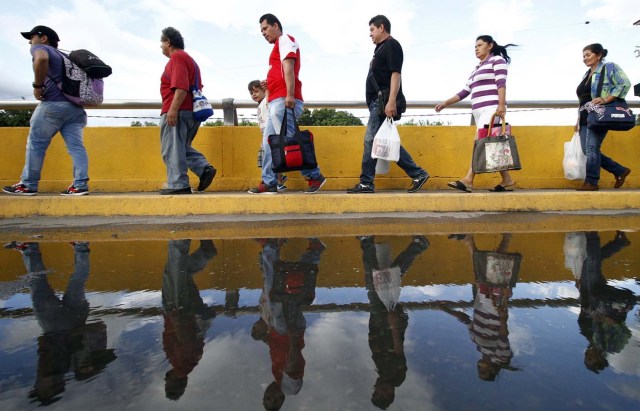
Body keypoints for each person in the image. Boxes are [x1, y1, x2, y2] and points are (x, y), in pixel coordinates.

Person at [3, 241, 116, 404]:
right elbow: (45, 344)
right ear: (52, 387)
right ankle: (30, 250)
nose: (38, 385)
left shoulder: (76, 368)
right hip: (54, 324)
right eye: (41, 388)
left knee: (78, 281)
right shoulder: (52, 371)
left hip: (79, 319)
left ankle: (81, 247)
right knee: (38, 284)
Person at [3, 26, 91, 196]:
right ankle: (80, 185)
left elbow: (41, 59)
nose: (30, 41)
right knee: (76, 147)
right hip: (75, 108)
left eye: (32, 37)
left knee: (36, 144)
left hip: (53, 105)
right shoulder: (66, 57)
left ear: (44, 38)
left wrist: (38, 86)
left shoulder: (41, 49)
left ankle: (28, 184)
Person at [347, 15, 429, 194]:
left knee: (371, 140)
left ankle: (366, 182)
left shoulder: (391, 45)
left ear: (381, 27)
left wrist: (391, 101)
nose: (370, 34)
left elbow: (395, 74)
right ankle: (418, 174)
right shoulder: (380, 49)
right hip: (377, 102)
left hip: (383, 102)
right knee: (385, 142)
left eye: (372, 30)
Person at [248, 14, 326, 194]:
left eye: (265, 29)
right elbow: (281, 72)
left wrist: (289, 94)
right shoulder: (277, 47)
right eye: (261, 31)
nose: (263, 33)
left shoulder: (285, 40)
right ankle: (269, 182)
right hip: (277, 99)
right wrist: (270, 83)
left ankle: (314, 175)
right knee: (269, 143)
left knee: (291, 141)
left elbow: (289, 67)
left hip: (285, 100)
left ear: (275, 25)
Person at [435, 35, 517, 193]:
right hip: (479, 113)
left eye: (480, 45)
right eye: (475, 46)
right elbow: (465, 91)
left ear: (490, 46)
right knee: (491, 146)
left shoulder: (497, 60)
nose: (476, 48)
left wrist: (501, 105)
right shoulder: (476, 68)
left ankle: (468, 180)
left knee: (479, 142)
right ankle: (507, 179)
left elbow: (501, 83)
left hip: (492, 109)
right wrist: (446, 103)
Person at [251, 238, 324, 410]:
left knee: (293, 288)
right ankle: (270, 247)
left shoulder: (278, 377)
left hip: (284, 332)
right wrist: (291, 338)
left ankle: (314, 252)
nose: (271, 396)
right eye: (275, 400)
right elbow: (292, 363)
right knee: (273, 287)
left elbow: (281, 356)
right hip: (286, 331)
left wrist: (267, 338)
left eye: (267, 398)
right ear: (281, 399)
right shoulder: (289, 387)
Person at [358, 235, 430, 408]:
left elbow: (377, 345)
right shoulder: (396, 377)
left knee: (388, 279)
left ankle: (417, 246)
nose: (378, 389)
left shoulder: (382, 372)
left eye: (375, 392)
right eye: (381, 393)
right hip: (387, 323)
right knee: (374, 282)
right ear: (390, 393)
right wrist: (392, 325)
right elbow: (398, 350)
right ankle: (367, 242)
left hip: (380, 322)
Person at [439, 234, 521, 381]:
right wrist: (502, 315)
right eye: (483, 371)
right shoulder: (500, 356)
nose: (480, 367)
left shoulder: (479, 347)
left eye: (479, 370)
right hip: (495, 308)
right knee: (497, 269)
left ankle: (470, 241)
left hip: (481, 303)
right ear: (492, 371)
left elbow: (466, 321)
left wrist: (446, 310)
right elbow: (503, 334)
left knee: (483, 275)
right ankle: (505, 237)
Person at [159, 27, 216, 195]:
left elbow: (181, 87)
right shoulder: (190, 60)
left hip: (178, 110)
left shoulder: (177, 57)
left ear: (168, 42)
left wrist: (172, 110)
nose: (161, 47)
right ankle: (203, 168)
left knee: (171, 149)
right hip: (191, 112)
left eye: (162, 43)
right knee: (181, 148)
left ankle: (178, 184)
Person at [161, 239, 217, 400]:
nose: (165, 379)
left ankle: (204, 254)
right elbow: (185, 339)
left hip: (184, 314)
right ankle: (179, 240)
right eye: (167, 383)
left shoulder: (191, 362)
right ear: (173, 383)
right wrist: (176, 316)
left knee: (181, 275)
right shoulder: (181, 364)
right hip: (177, 312)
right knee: (174, 272)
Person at [575, 231, 635, 373]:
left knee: (590, 263)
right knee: (591, 263)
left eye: (586, 358)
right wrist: (607, 320)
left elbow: (584, 311)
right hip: (608, 304)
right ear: (600, 359)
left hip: (592, 297)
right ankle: (591, 233)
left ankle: (619, 243)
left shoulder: (588, 335)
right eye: (590, 359)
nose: (587, 355)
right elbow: (626, 334)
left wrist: (581, 289)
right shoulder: (613, 346)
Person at [574, 43, 632, 191]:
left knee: (592, 148)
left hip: (600, 115)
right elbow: (583, 99)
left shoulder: (609, 67)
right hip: (585, 117)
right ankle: (619, 170)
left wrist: (606, 99)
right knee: (587, 150)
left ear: (599, 55)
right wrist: (578, 120)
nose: (584, 58)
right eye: (583, 56)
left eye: (588, 55)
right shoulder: (586, 75)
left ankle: (591, 182)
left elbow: (624, 84)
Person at [248, 79, 287, 191]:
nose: (253, 95)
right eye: (251, 93)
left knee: (271, 159)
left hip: (271, 136)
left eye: (256, 91)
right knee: (268, 160)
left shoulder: (267, 101)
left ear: (264, 91)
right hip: (265, 136)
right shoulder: (260, 105)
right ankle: (276, 180)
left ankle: (276, 181)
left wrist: (268, 90)